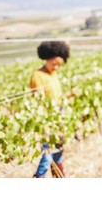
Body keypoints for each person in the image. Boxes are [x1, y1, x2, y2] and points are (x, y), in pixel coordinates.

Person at [30, 41, 70, 178]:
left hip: (59, 115)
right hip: (47, 118)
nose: (57, 67)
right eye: (54, 64)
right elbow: (39, 100)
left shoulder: (53, 74)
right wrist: (45, 124)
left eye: (59, 65)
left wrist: (68, 98)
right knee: (47, 155)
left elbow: (56, 96)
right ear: (46, 59)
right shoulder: (37, 76)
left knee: (58, 151)